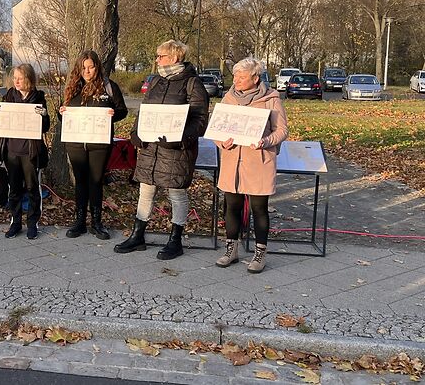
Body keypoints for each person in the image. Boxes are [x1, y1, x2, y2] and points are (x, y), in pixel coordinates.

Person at [115, 40, 209, 259]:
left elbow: (200, 120)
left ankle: (175, 240)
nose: (156, 59)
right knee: (145, 191)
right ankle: (138, 235)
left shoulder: (192, 83)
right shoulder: (156, 80)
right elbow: (145, 110)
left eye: (160, 56)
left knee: (177, 193)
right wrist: (135, 133)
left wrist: (181, 138)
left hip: (176, 150)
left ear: (175, 57)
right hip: (150, 147)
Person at [215, 57, 288, 273]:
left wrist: (266, 141)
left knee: (259, 208)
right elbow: (217, 128)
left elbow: (282, 130)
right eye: (235, 75)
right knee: (232, 206)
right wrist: (222, 142)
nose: (236, 80)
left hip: (259, 161)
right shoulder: (229, 97)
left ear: (255, 78)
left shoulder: (271, 99)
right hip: (232, 161)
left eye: (241, 76)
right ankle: (231, 250)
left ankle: (260, 253)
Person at [59, 51, 128, 240]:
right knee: (80, 181)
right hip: (76, 142)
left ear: (97, 67)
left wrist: (113, 114)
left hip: (99, 142)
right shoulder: (73, 87)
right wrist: (62, 112)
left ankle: (97, 222)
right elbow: (62, 115)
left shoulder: (108, 86)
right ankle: (79, 221)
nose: (87, 71)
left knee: (96, 181)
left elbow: (122, 111)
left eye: (91, 67)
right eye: (83, 67)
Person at [0, 64, 50, 240]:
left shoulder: (38, 97)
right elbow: (1, 121)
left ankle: (32, 224)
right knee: (14, 188)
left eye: (20, 78)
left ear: (30, 80)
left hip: (30, 151)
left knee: (32, 188)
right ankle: (15, 222)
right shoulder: (10, 95)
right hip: (12, 150)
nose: (16, 81)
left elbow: (44, 128)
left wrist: (45, 115)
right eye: (15, 77)